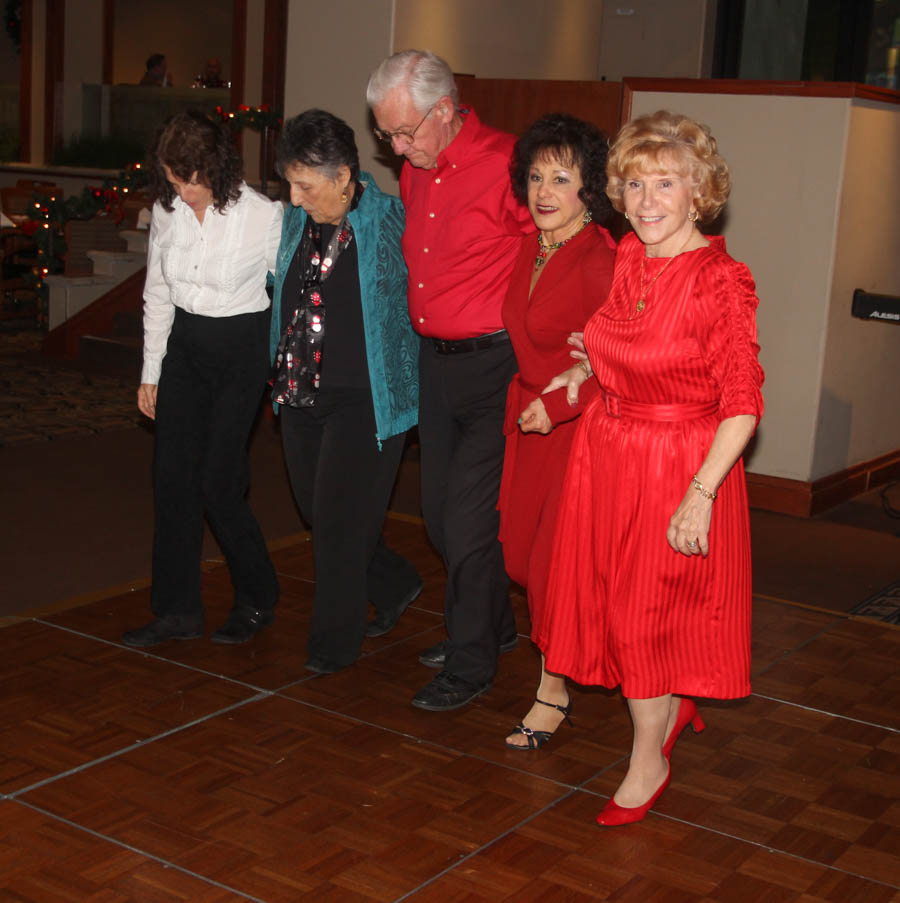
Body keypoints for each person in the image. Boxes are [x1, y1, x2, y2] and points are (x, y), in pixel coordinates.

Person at [536, 111, 764, 824]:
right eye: (634, 183)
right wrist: (586, 366)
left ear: (699, 191)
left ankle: (647, 757)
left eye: (665, 182)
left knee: (641, 619)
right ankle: (666, 708)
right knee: (615, 605)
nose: (646, 199)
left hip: (676, 466)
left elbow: (744, 403)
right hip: (607, 456)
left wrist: (702, 493)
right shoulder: (633, 256)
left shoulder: (722, 281)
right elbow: (627, 344)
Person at [367, 50, 533, 711]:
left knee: (468, 525)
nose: (396, 147)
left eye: (405, 132)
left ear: (445, 110)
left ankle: (471, 663)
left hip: (496, 366)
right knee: (437, 516)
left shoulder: (509, 162)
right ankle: (495, 624)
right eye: (386, 134)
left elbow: (560, 243)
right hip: (434, 364)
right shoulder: (416, 171)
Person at [269, 109, 422, 674]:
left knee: (335, 524)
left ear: (342, 176)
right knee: (319, 510)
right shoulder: (293, 222)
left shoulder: (390, 220)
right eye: (289, 183)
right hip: (301, 390)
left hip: (367, 398)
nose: (295, 196)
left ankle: (334, 641)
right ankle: (396, 579)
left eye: (305, 185)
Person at [123, 110, 282, 648]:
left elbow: (285, 295)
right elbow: (157, 294)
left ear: (217, 168)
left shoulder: (263, 215)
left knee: (218, 480)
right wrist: (151, 371)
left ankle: (258, 596)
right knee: (172, 479)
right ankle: (176, 611)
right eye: (174, 180)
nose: (184, 193)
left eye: (192, 180)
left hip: (241, 349)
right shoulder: (167, 212)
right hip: (184, 349)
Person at [498, 114, 616, 749]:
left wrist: (563, 405)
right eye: (536, 175)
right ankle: (647, 675)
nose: (544, 190)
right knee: (518, 555)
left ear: (588, 189)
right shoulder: (531, 247)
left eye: (561, 178)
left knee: (549, 568)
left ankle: (552, 693)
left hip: (576, 432)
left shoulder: (601, 259)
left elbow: (622, 360)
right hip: (527, 422)